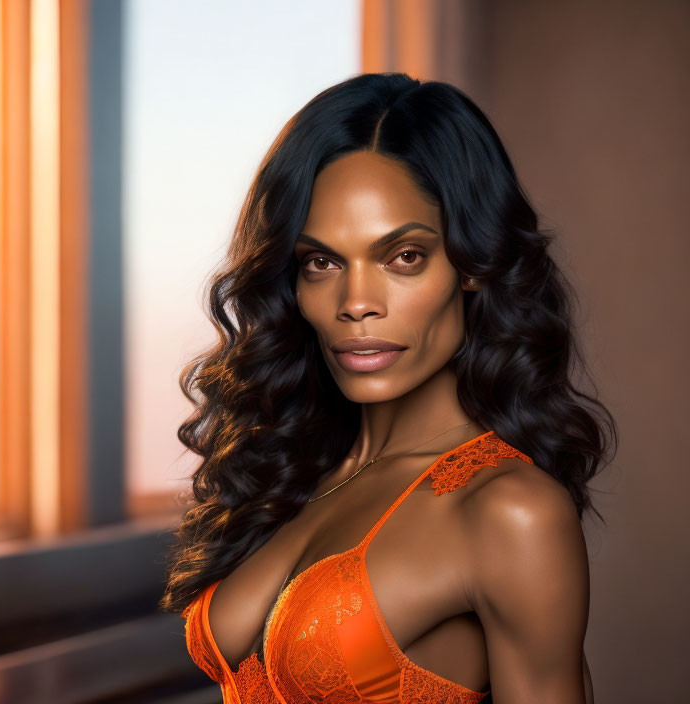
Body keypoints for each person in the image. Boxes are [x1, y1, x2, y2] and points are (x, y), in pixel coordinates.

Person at [159, 72, 616, 704]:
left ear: (473, 264)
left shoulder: (510, 512)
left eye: (402, 257)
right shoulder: (297, 468)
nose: (357, 304)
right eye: (322, 262)